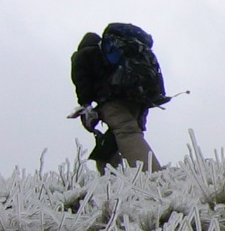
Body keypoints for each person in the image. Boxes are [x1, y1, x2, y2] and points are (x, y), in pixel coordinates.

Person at [70, 25, 165, 171]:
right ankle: (109, 175)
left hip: (112, 100)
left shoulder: (83, 55)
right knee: (116, 136)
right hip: (136, 97)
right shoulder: (115, 53)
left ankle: (152, 175)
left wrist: (85, 104)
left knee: (126, 132)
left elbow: (82, 82)